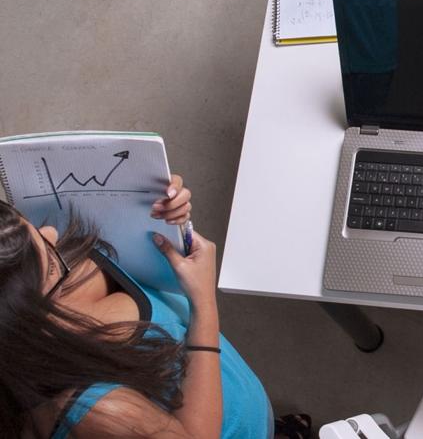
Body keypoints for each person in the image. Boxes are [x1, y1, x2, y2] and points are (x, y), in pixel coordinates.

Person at [0, 175, 273, 438]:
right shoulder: (97, 412)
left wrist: (165, 211)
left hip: (245, 399)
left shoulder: (25, 261)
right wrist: (204, 302)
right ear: (23, 314)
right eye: (47, 262)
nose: (51, 232)